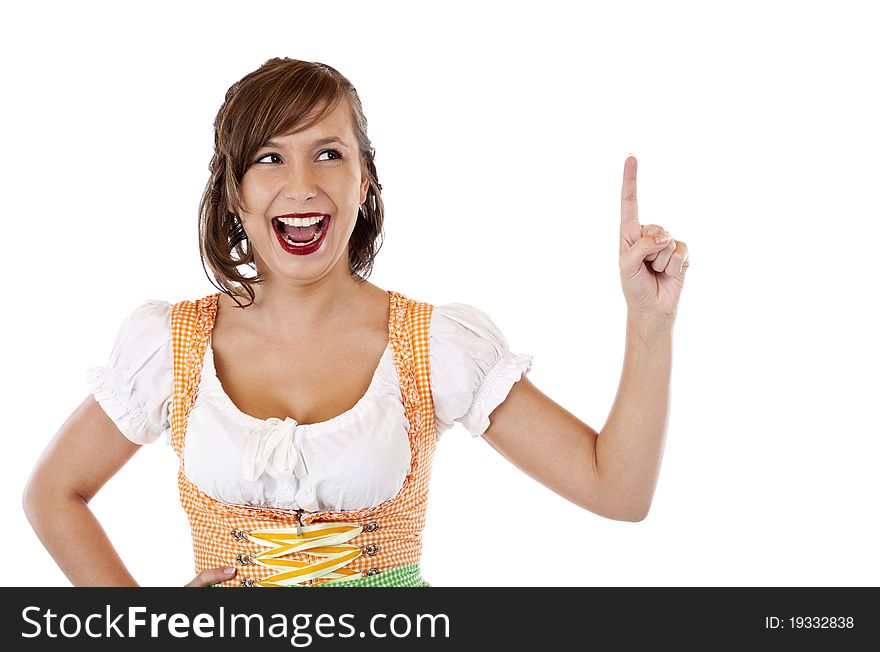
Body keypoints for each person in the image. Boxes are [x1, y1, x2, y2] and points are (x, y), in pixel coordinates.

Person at [22, 57, 690, 587]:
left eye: (329, 153)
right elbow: (53, 494)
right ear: (234, 191)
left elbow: (618, 490)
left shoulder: (434, 345)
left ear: (364, 180)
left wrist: (648, 324)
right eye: (268, 157)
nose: (302, 183)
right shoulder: (171, 346)